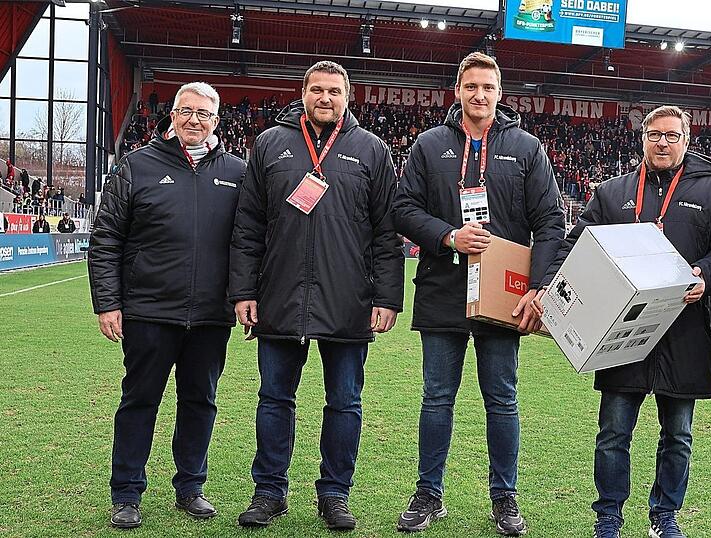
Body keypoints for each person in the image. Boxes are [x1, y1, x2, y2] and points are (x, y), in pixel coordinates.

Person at [535, 105, 711, 538]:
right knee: (613, 431)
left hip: (686, 330)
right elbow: (576, 243)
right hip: (622, 330)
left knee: (678, 435)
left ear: (686, 140)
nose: (662, 142)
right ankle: (608, 517)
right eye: (654, 134)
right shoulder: (613, 193)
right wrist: (548, 288)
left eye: (672, 135)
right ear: (642, 138)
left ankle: (665, 516)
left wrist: (707, 274)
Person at [392, 52, 565, 535]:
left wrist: (538, 286)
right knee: (436, 397)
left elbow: (550, 221)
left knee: (502, 398)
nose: (479, 94)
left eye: (488, 87)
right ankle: (429, 493)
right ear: (458, 91)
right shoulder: (429, 144)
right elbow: (402, 208)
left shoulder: (526, 147)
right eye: (471, 86)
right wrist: (449, 235)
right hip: (442, 287)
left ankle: (505, 497)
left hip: (502, 294)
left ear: (500, 93)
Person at [229, 60, 404, 530]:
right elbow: (248, 226)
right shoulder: (270, 143)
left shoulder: (372, 149)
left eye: (335, 91)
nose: (325, 98)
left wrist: (387, 297)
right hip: (279, 294)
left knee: (344, 401)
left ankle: (334, 494)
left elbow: (386, 232)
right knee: (274, 398)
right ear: (302, 93)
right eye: (317, 90)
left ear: (348, 97)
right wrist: (244, 290)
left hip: (348, 297)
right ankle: (269, 492)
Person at [88, 82, 246, 529]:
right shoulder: (136, 165)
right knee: (139, 401)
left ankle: (191, 487)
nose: (194, 119)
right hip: (148, 311)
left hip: (211, 316)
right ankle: (126, 493)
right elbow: (106, 239)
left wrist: (243, 297)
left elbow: (250, 241)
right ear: (172, 115)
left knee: (200, 402)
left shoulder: (237, 172)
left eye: (204, 113)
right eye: (186, 111)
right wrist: (108, 303)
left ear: (217, 121)